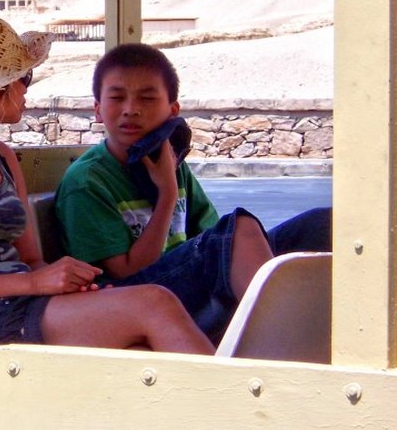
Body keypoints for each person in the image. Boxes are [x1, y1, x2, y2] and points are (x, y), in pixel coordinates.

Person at [0, 13, 214, 381]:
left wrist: (68, 285)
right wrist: (32, 284)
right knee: (153, 303)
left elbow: (30, 260)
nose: (26, 90)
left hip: (17, 306)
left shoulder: (1, 156)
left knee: (142, 358)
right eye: (24, 77)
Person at [55, 42, 331, 338]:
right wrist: (167, 195)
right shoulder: (87, 181)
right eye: (117, 97)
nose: (131, 110)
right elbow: (127, 271)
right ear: (98, 110)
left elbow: (208, 232)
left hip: (185, 281)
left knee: (321, 224)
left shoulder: (170, 162)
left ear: (172, 111)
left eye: (147, 98)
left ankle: (320, 327)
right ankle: (284, 340)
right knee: (239, 229)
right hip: (133, 296)